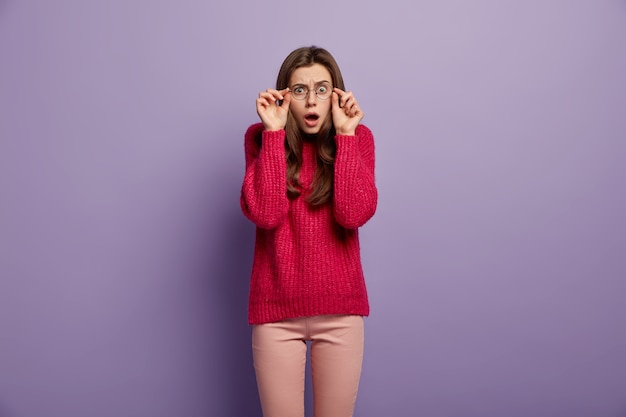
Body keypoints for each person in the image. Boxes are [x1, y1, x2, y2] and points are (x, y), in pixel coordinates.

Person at [240, 45, 377, 417]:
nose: (311, 101)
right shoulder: (260, 138)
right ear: (284, 95)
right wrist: (273, 133)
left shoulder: (358, 139)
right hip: (275, 314)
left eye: (322, 89)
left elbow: (353, 214)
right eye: (300, 90)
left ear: (336, 94)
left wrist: (346, 138)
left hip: (340, 312)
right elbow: (266, 214)